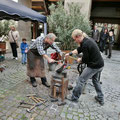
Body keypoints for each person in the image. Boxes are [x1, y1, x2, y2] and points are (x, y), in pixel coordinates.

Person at [65, 29, 104, 105]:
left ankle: (74, 98)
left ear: (78, 36)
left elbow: (85, 59)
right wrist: (70, 53)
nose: (75, 41)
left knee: (81, 80)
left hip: (94, 66)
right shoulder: (86, 40)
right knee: (95, 81)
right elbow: (79, 49)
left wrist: (80, 59)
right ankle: (100, 98)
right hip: (100, 64)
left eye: (75, 39)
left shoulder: (86, 44)